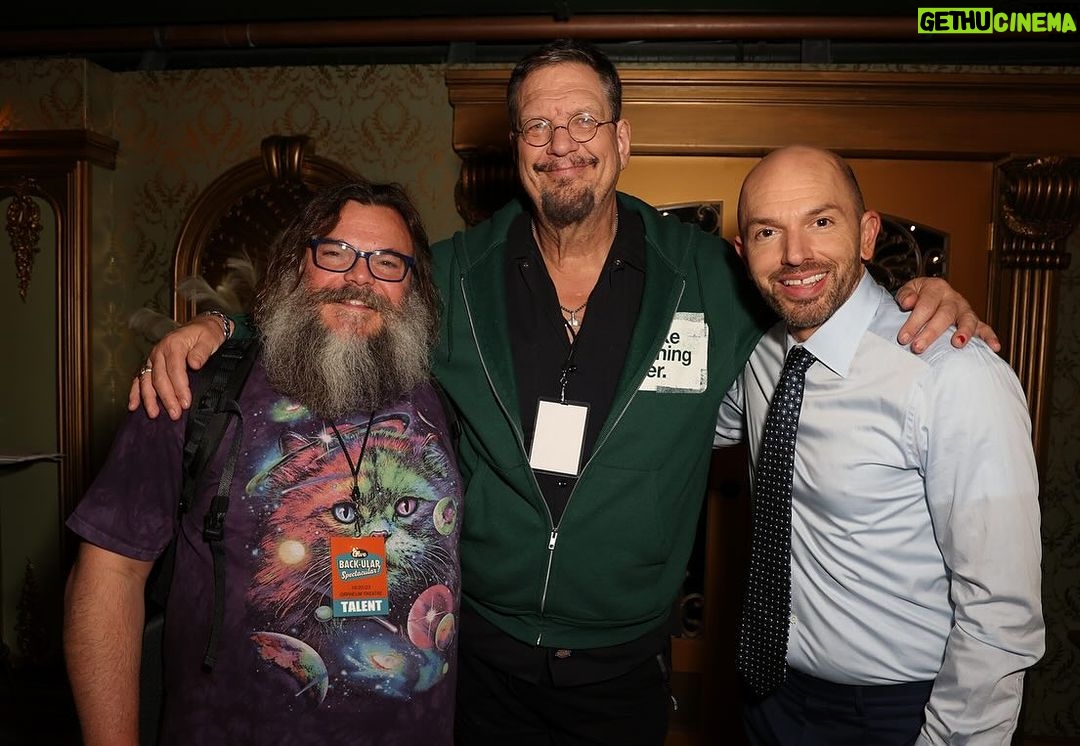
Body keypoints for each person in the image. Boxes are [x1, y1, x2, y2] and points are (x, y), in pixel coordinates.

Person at [127, 41, 998, 745]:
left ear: (622, 139)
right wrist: (224, 330)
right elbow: (348, 309)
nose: (562, 142)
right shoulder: (454, 275)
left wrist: (914, 300)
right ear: (516, 150)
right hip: (479, 654)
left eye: (585, 119)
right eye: (538, 125)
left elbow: (811, 293)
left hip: (626, 668)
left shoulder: (709, 275)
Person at [64, 180, 463, 745]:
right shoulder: (192, 389)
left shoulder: (441, 393)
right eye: (336, 253)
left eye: (388, 262)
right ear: (296, 266)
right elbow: (111, 573)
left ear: (412, 288)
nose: (360, 278)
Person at [715, 145, 1044, 745]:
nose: (795, 254)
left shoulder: (952, 374)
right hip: (769, 694)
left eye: (821, 221)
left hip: (902, 712)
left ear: (867, 234)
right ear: (743, 254)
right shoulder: (759, 356)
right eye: (767, 232)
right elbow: (674, 427)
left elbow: (1000, 610)